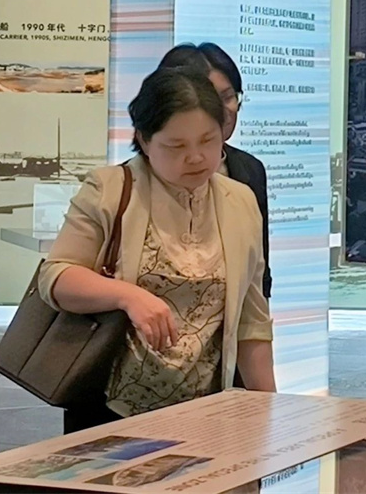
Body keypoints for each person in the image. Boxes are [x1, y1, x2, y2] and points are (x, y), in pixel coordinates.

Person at [39, 67, 276, 433]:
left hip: (206, 415)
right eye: (176, 146)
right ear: (145, 140)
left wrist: (269, 416)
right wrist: (127, 296)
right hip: (111, 411)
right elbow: (56, 278)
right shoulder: (110, 190)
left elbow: (252, 320)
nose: (196, 157)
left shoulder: (239, 201)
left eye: (208, 141)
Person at [158, 43, 272, 299]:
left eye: (228, 97)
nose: (223, 111)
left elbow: (258, 273)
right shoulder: (128, 183)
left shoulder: (249, 170)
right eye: (209, 99)